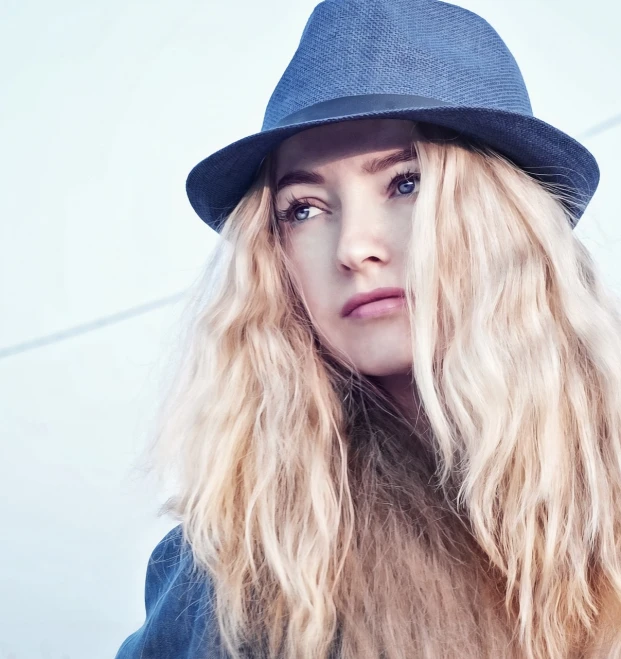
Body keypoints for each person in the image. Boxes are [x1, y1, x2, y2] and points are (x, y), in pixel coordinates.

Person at [114, 0, 621, 657]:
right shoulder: (235, 574)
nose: (353, 246)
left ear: (503, 218)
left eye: (404, 183)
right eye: (302, 208)